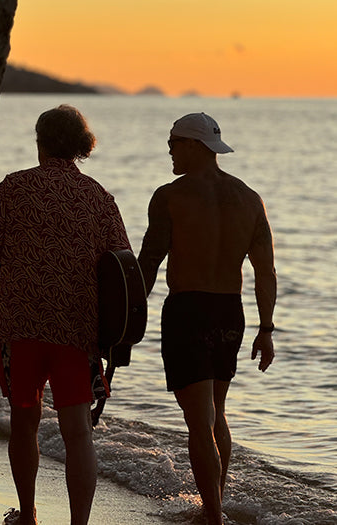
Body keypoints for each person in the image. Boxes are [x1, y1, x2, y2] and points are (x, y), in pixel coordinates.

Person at [0, 105, 131, 525]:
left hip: (21, 328)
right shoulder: (98, 197)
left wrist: (28, 248)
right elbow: (122, 263)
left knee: (24, 423)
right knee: (78, 433)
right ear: (81, 145)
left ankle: (27, 515)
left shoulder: (15, 187)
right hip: (77, 332)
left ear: (40, 141)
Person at [138, 112, 276, 525]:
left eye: (174, 144)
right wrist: (266, 329)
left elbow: (148, 262)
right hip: (230, 313)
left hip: (189, 311)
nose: (169, 152)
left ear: (194, 146)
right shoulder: (250, 199)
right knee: (215, 412)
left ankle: (213, 516)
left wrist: (126, 321)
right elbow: (265, 272)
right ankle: (212, 504)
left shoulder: (169, 196)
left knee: (199, 421)